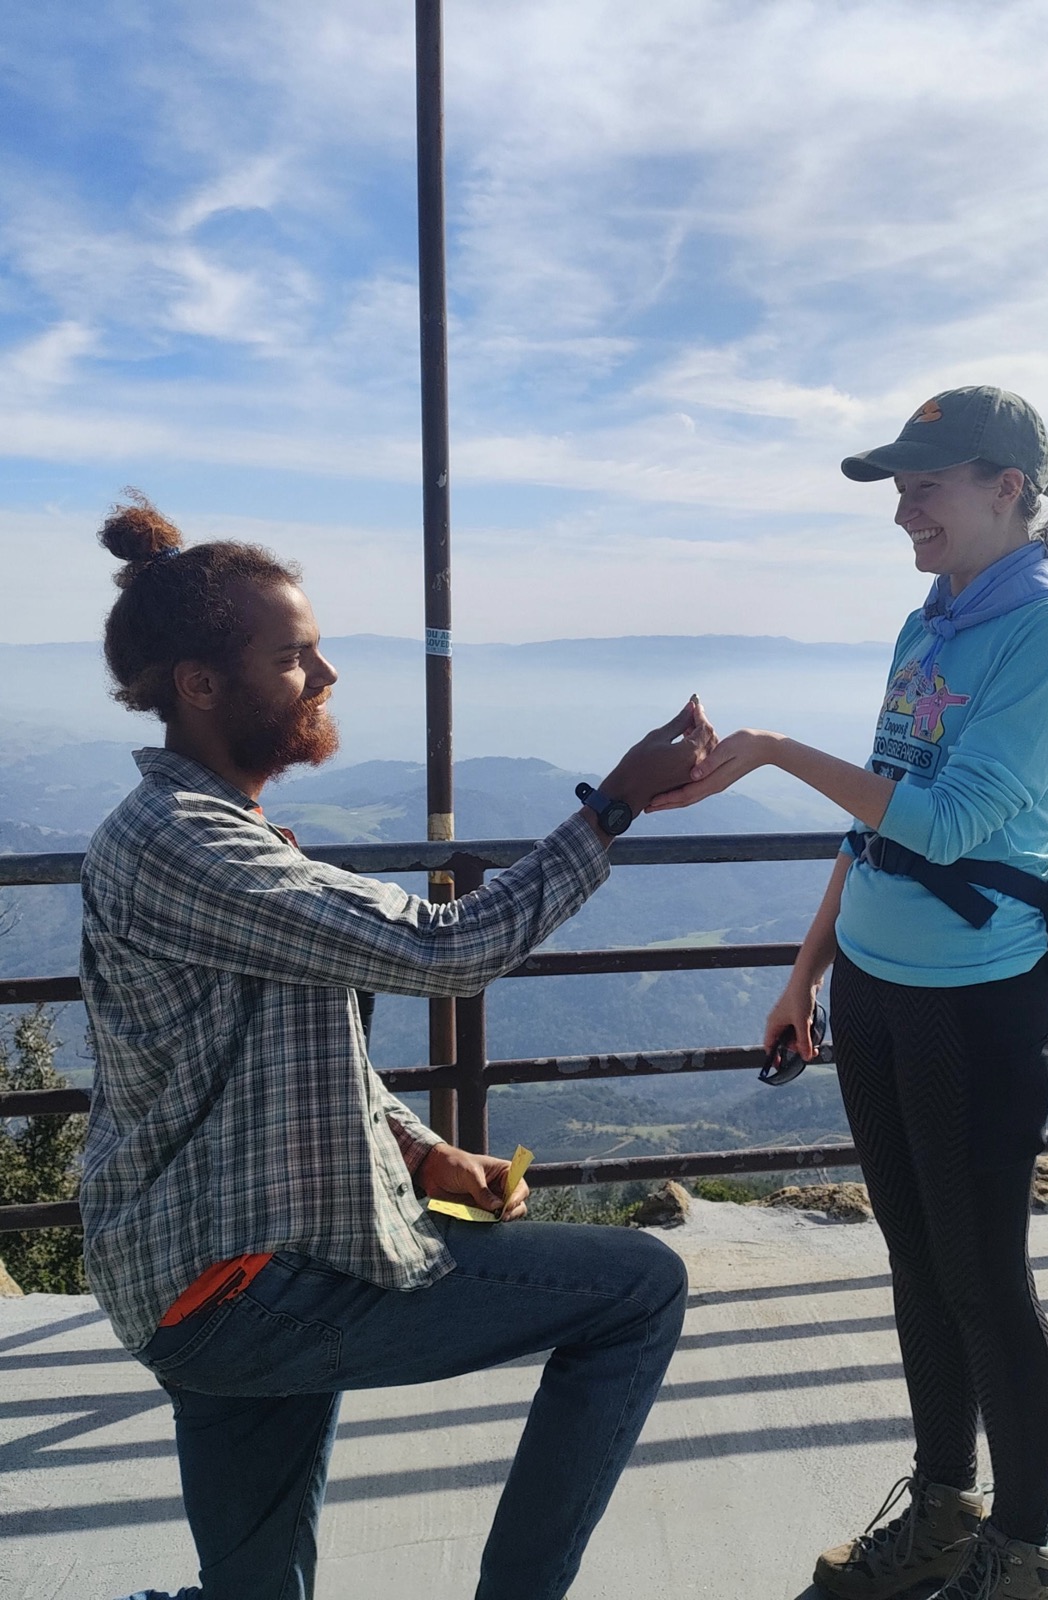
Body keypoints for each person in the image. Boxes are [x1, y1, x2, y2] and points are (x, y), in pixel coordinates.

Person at [80, 494, 718, 1600]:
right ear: (199, 683)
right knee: (638, 1290)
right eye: (295, 657)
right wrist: (608, 806)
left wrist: (422, 1153)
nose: (325, 677)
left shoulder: (193, 832)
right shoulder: (188, 844)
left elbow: (282, 1049)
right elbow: (450, 948)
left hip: (196, 1276)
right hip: (252, 1280)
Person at [649, 388, 1048, 1600]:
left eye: (924, 484)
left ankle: (1018, 1560)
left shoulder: (1043, 629)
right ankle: (942, 1518)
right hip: (873, 983)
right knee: (917, 1266)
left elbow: (954, 823)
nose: (902, 510)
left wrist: (766, 748)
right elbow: (880, 819)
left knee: (982, 1280)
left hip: (972, 1002)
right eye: (897, 488)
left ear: (1006, 487)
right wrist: (805, 972)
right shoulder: (934, 615)